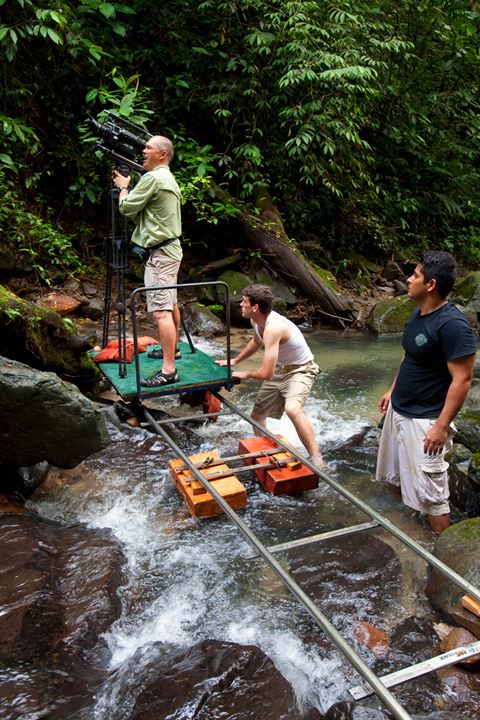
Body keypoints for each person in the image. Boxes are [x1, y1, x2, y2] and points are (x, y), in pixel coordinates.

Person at [376, 250, 476, 533]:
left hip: (425, 420)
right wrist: (392, 390)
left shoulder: (453, 325)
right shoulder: (418, 313)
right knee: (394, 477)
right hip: (400, 409)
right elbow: (410, 356)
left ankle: (438, 553)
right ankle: (404, 531)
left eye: (415, 275)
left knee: (433, 497)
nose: (408, 279)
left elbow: (463, 380)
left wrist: (441, 427)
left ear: (430, 284)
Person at [216, 284, 325, 467]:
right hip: (283, 370)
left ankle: (317, 458)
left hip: (302, 369)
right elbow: (257, 341)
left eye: (244, 301)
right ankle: (267, 451)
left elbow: (267, 373)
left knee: (292, 409)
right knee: (257, 415)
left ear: (255, 307)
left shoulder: (275, 327)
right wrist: (235, 361)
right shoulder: (256, 321)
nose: (241, 304)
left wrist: (246, 373)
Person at [112, 135, 182, 387]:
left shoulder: (153, 178)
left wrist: (123, 188)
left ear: (162, 154)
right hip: (169, 250)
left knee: (160, 312)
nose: (143, 150)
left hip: (162, 254)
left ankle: (169, 370)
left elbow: (127, 208)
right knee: (171, 303)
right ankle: (173, 351)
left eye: (148, 147)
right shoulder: (167, 177)